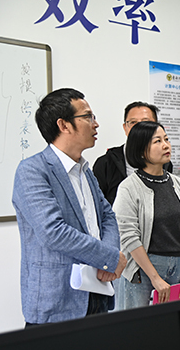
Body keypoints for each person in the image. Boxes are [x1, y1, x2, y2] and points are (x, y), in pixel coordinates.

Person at [12, 88, 126, 326]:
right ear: (63, 125)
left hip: (97, 290)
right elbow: (53, 232)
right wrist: (108, 257)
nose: (96, 124)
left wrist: (109, 259)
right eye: (88, 117)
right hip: (57, 301)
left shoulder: (85, 170)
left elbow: (107, 215)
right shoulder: (32, 170)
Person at [113, 121, 180, 309]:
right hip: (144, 269)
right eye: (157, 141)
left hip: (178, 266)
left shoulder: (177, 183)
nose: (166, 145)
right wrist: (155, 278)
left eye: (166, 139)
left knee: (172, 323)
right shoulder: (129, 187)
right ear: (142, 151)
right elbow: (129, 236)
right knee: (139, 325)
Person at [93, 101, 173, 205]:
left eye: (146, 122)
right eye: (133, 122)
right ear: (125, 128)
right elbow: (97, 204)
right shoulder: (105, 163)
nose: (139, 127)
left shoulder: (165, 163)